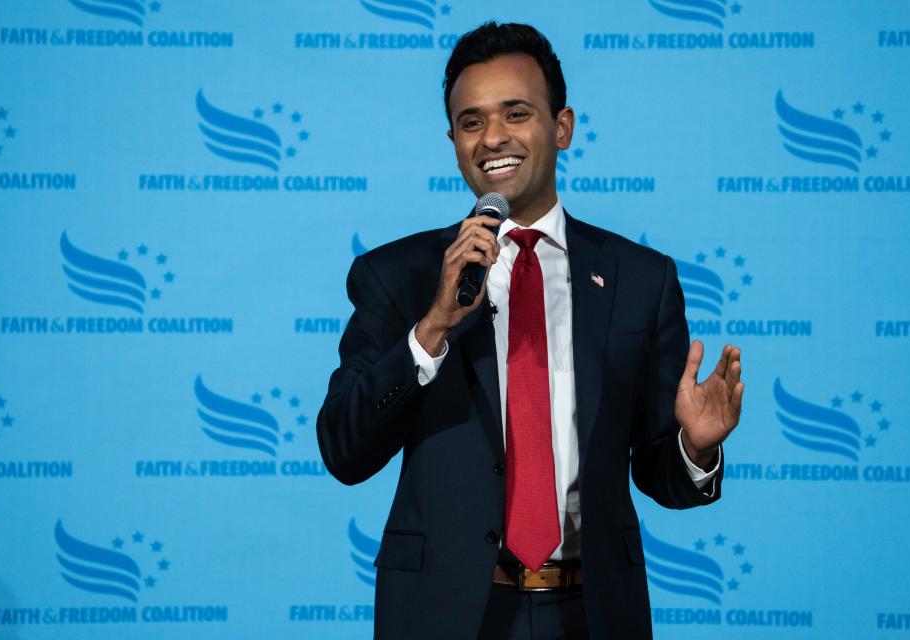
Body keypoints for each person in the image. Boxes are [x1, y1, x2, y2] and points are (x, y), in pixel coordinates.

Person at [317, 21, 744, 639]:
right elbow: (344, 450)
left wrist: (695, 448)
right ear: (453, 140)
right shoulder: (399, 277)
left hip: (593, 613)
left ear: (562, 127)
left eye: (516, 113)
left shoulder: (640, 279)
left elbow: (659, 474)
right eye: (471, 122)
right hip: (445, 614)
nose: (493, 138)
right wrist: (432, 326)